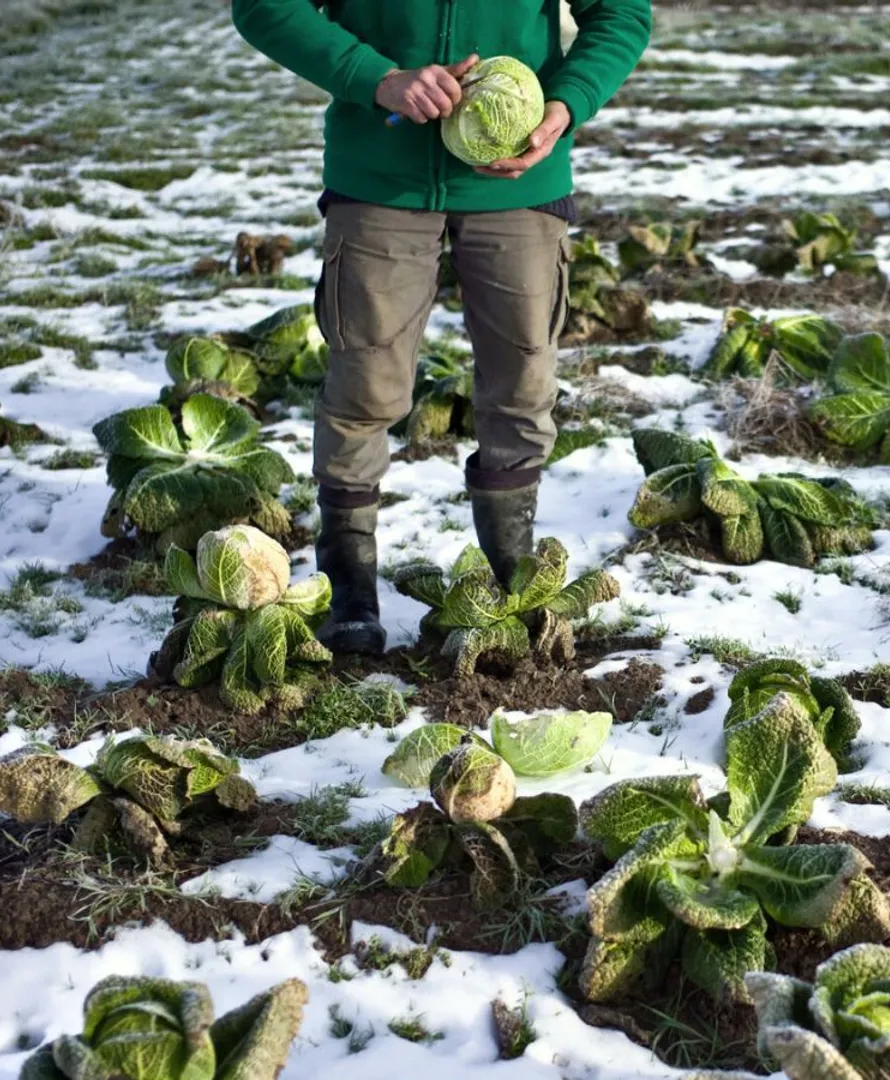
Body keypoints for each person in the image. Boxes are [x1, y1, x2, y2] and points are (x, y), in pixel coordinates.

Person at [231, 0, 652, 656]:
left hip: (519, 183)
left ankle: (512, 580)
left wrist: (566, 104)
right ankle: (350, 589)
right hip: (380, 181)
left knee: (522, 385)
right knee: (364, 385)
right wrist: (376, 77)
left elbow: (622, 10)